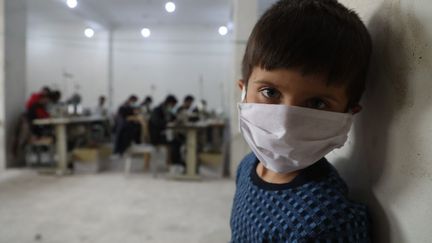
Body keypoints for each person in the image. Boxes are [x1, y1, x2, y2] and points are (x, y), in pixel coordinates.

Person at [230, 0, 372, 242]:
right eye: (270, 92)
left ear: (349, 113)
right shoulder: (247, 166)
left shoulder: (332, 221)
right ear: (243, 91)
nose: (285, 123)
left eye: (317, 103)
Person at [148, 95, 183, 166]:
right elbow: (156, 122)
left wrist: (177, 120)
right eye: (173, 105)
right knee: (176, 142)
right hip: (156, 136)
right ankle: (175, 163)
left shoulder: (166, 111)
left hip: (163, 134)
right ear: (169, 103)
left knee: (180, 138)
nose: (173, 107)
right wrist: (168, 123)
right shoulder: (157, 110)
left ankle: (177, 161)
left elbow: (174, 118)